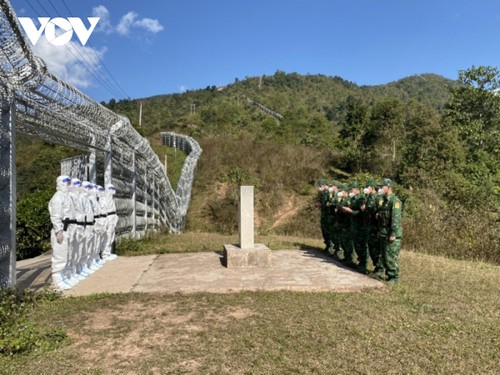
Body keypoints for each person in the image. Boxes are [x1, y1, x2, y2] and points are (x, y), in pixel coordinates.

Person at [48, 175, 76, 290]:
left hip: (68, 228)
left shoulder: (66, 196)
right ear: (62, 183)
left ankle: (64, 277)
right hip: (61, 229)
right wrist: (58, 230)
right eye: (67, 182)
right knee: (60, 256)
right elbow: (55, 215)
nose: (69, 185)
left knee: (67, 254)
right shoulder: (58, 197)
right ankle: (57, 281)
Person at [377, 178, 403, 285]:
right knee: (384, 256)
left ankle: (394, 277)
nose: (381, 188)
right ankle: (388, 275)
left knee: (390, 257)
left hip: (392, 234)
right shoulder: (383, 200)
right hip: (383, 232)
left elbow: (395, 220)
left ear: (388, 187)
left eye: (382, 186)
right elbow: (382, 218)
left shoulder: (395, 201)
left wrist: (393, 234)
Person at [342, 182, 368, 273]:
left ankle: (363, 264)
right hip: (353, 225)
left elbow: (362, 213)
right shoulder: (353, 198)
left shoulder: (361, 198)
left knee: (361, 245)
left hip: (360, 226)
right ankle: (359, 262)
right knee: (356, 245)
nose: (351, 190)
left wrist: (351, 211)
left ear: (357, 189)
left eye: (352, 189)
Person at [364, 180, 384, 277]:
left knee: (376, 249)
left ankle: (380, 269)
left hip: (375, 227)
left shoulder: (378, 198)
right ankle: (376, 267)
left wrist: (379, 229)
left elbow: (380, 214)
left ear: (372, 188)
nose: (366, 188)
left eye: (368, 187)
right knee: (371, 248)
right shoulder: (368, 197)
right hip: (369, 226)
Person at [102, 184, 118, 261]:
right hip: (108, 218)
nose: (112, 190)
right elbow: (104, 210)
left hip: (112, 218)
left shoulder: (111, 199)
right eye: (111, 188)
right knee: (107, 237)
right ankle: (105, 254)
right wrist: (105, 222)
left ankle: (109, 252)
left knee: (111, 236)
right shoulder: (105, 199)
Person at [316, 179, 332, 252]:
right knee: (324, 230)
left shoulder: (330, 192)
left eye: (321, 185)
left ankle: (331, 247)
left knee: (329, 231)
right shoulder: (323, 193)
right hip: (324, 215)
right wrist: (319, 204)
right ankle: (327, 246)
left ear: (325, 185)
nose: (320, 187)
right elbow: (320, 200)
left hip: (329, 215)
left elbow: (331, 203)